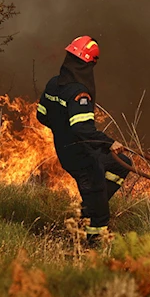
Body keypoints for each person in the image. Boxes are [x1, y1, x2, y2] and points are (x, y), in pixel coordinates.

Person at [36, 36, 130, 243]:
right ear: (89, 64)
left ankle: (92, 204)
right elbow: (82, 128)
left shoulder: (53, 84)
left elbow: (41, 115)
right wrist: (109, 143)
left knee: (123, 165)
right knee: (99, 211)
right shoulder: (80, 93)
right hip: (82, 156)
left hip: (67, 150)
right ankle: (92, 244)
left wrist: (61, 130)